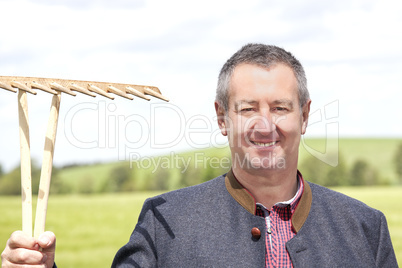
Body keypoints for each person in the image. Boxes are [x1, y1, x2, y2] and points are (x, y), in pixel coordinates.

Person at [1, 44, 398, 267]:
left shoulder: (365, 230)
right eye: (247, 109)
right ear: (222, 118)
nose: (264, 125)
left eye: (280, 108)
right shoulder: (164, 222)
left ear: (305, 116)